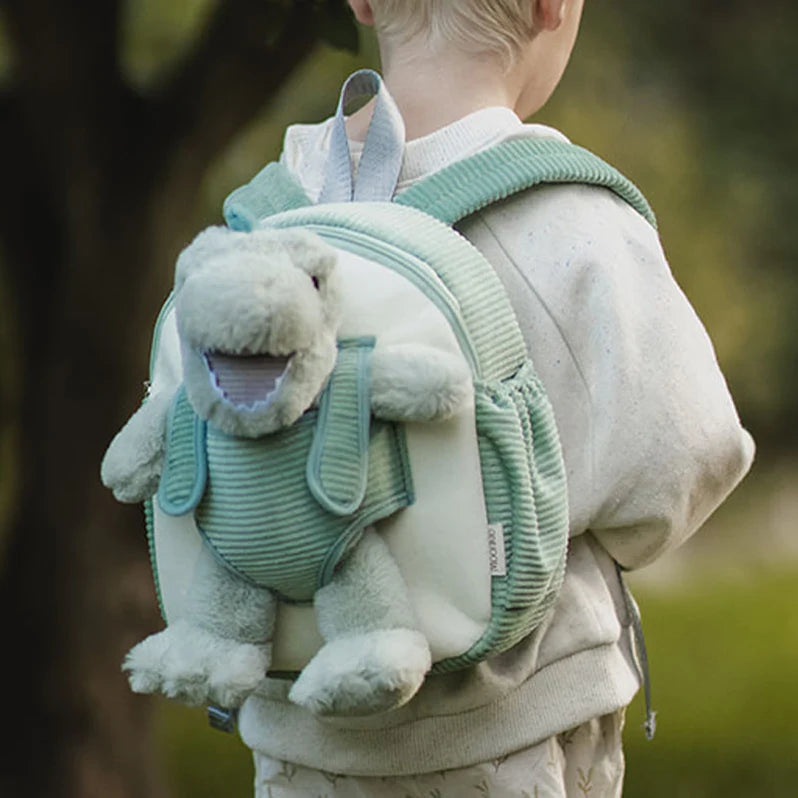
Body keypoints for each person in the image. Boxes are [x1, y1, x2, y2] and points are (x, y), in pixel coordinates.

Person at [239, 1, 755, 795]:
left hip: (302, 738)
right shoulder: (573, 222)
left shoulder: (267, 219)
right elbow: (687, 455)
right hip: (513, 735)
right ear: (555, 7)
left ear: (362, 3)